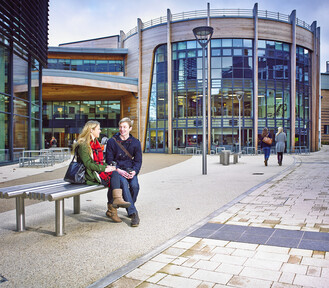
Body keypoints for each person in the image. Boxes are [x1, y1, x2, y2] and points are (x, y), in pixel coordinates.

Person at [75, 120, 130, 223]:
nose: (100, 131)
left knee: (114, 173)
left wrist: (108, 167)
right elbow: (88, 164)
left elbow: (99, 162)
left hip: (96, 171)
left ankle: (115, 204)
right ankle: (113, 209)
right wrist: (104, 169)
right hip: (88, 174)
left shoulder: (96, 142)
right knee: (114, 179)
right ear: (91, 130)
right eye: (98, 129)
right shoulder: (83, 145)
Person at [106, 117, 142, 227]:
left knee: (135, 187)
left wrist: (134, 171)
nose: (122, 129)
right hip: (117, 171)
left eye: (125, 127)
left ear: (130, 128)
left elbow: (138, 160)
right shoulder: (112, 141)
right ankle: (133, 213)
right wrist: (119, 170)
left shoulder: (136, 142)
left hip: (130, 169)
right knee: (125, 186)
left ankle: (130, 205)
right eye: (120, 127)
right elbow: (108, 160)